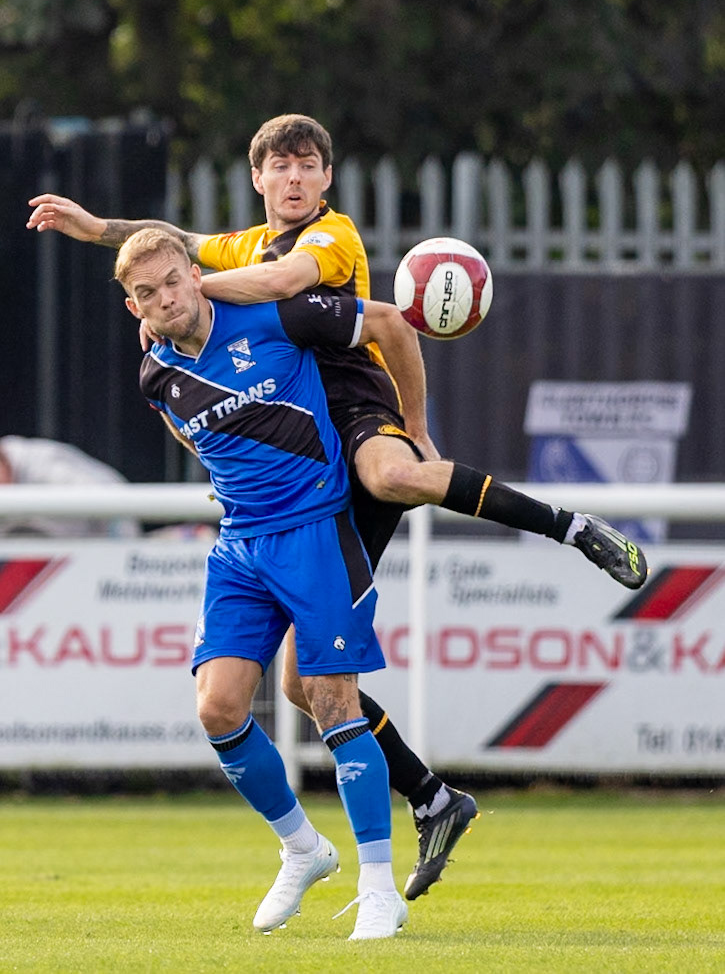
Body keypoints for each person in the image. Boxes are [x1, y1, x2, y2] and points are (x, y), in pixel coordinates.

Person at [27, 113, 648, 900]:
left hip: (352, 406)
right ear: (257, 178)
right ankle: (432, 797)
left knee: (390, 474)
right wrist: (98, 232)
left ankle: (573, 527)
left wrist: (414, 424)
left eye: (306, 165)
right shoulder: (240, 246)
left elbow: (281, 285)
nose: (293, 178)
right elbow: (172, 241)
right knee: (303, 687)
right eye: (279, 166)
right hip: (299, 453)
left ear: (325, 177)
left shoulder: (332, 236)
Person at [113, 227, 431, 938]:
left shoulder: (272, 314)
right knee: (218, 708)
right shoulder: (154, 374)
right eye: (147, 293)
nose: (165, 298)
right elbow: (191, 434)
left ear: (193, 274)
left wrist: (413, 430)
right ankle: (302, 848)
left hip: (315, 529)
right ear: (135, 307)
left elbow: (387, 323)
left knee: (332, 700)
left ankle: (379, 887)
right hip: (239, 546)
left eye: (172, 280)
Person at [0, 435, 139, 539]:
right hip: (46, 558)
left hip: (100, 542)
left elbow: (113, 505)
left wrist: (122, 555)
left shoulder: (52, 468)